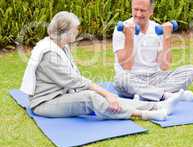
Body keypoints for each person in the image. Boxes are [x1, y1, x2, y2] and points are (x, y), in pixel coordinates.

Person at [20, 11, 184, 121]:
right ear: (66, 31)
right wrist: (106, 93)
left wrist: (107, 95)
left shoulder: (61, 45)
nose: (78, 32)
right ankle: (145, 114)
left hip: (62, 94)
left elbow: (75, 79)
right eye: (76, 29)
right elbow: (75, 81)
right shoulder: (49, 54)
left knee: (102, 97)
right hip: (45, 103)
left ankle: (156, 105)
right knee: (91, 97)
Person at [113, 0, 193, 101]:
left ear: (151, 11)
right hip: (130, 78)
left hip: (154, 78)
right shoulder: (122, 29)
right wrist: (129, 37)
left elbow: (164, 66)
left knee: (191, 71)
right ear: (131, 8)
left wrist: (167, 36)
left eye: (142, 10)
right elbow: (126, 67)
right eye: (135, 9)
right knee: (121, 79)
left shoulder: (157, 29)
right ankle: (165, 95)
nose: (138, 14)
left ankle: (147, 94)